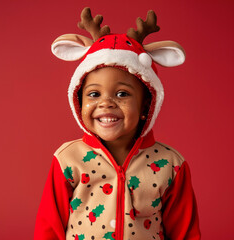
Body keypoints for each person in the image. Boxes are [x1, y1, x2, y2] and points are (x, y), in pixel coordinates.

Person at [34, 7, 201, 240]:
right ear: (78, 100)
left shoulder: (171, 165)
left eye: (122, 94)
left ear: (146, 105)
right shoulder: (67, 159)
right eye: (94, 94)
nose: (106, 104)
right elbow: (48, 229)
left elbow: (185, 232)